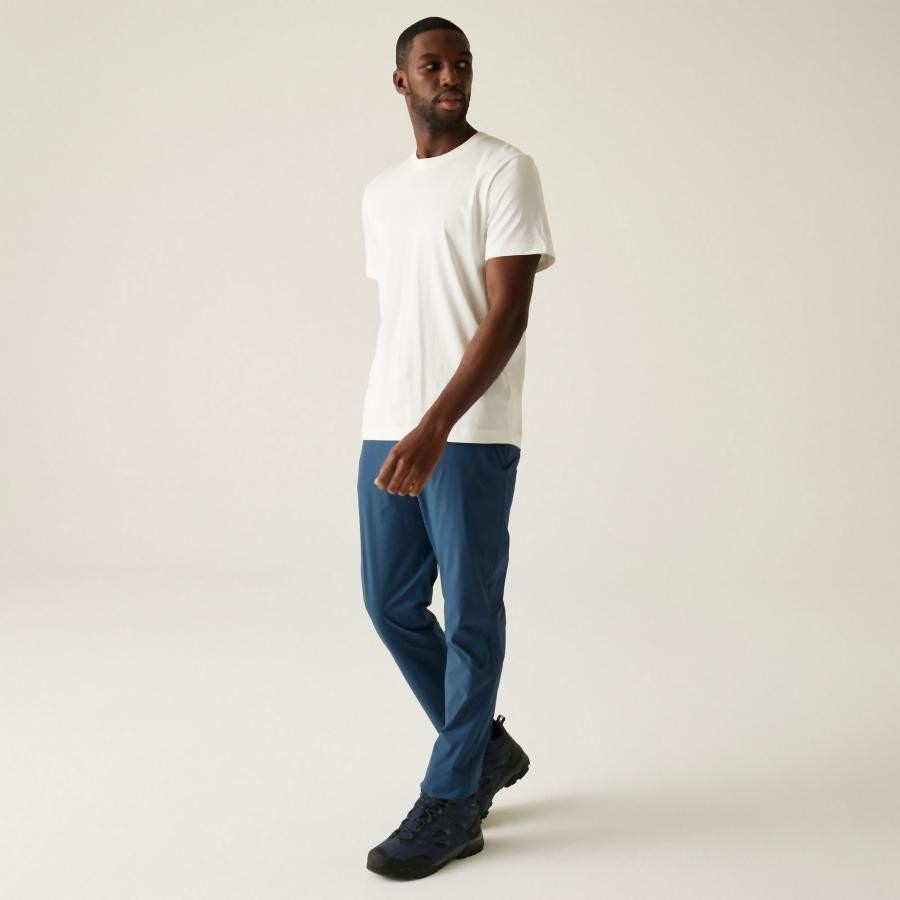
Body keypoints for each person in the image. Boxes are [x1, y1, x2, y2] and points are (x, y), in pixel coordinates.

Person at [356, 15, 556, 880]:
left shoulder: (505, 170)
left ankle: (452, 801)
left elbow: (506, 315)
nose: (451, 76)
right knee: (389, 602)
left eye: (462, 63)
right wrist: (403, 424)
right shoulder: (380, 193)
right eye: (433, 64)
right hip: (386, 422)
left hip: (466, 431)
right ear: (401, 80)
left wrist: (435, 426)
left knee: (472, 616)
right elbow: (409, 314)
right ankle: (484, 751)